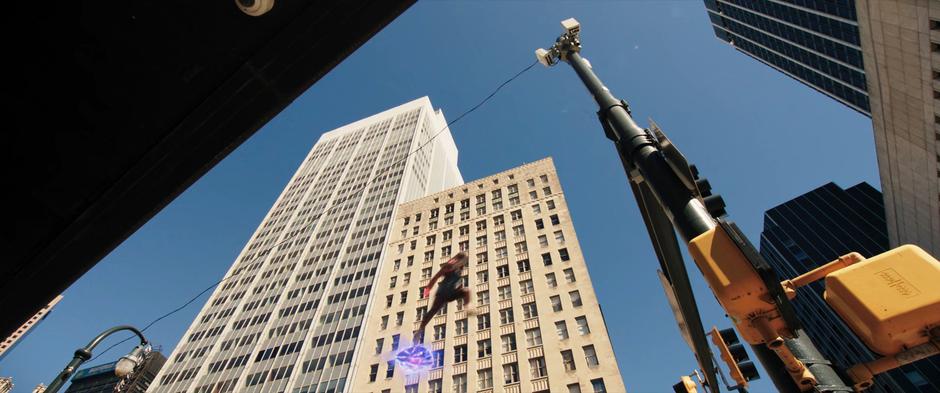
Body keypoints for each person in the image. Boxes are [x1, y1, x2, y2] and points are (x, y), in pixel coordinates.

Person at [413, 251, 474, 343]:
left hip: (452, 292)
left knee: (466, 291)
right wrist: (428, 289)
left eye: (465, 262)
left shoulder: (460, 268)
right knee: (433, 311)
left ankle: (468, 308)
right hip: (442, 293)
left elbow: (455, 280)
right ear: (458, 259)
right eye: (463, 261)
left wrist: (459, 287)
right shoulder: (449, 266)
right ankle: (419, 331)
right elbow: (436, 277)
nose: (463, 264)